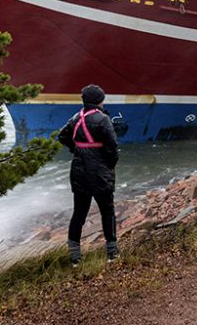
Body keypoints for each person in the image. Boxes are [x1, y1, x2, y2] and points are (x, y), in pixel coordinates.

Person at [58, 84, 120, 263]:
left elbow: (62, 136)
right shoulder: (103, 119)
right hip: (100, 173)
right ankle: (112, 254)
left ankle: (75, 258)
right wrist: (109, 165)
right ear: (101, 100)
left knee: (79, 214)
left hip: (79, 172)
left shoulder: (76, 117)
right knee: (107, 212)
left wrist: (76, 150)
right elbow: (113, 148)